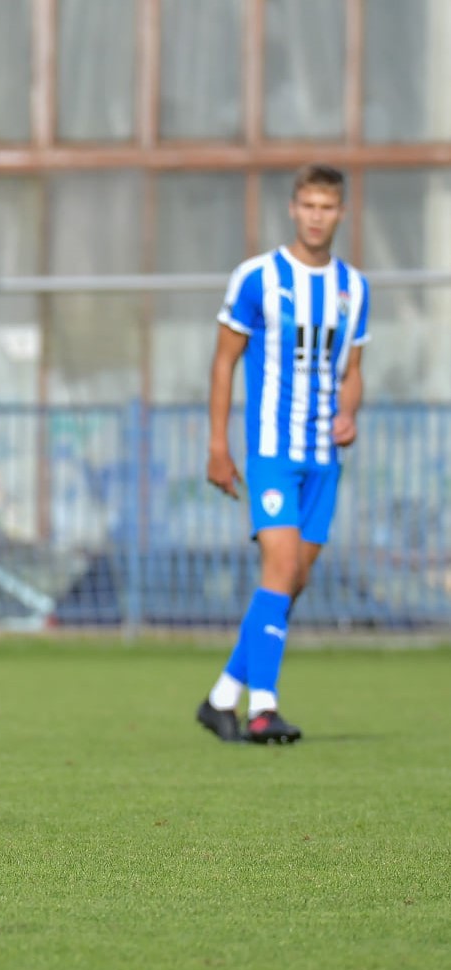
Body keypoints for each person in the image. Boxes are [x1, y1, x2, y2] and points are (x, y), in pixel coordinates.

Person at [196, 163, 369, 745]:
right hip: (272, 448)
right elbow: (224, 362)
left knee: (293, 579)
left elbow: (353, 372)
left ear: (340, 212)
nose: (318, 216)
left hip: (325, 456)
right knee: (279, 568)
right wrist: (218, 444)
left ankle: (222, 698)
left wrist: (350, 410)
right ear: (294, 209)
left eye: (328, 207)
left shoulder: (355, 288)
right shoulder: (257, 277)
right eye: (309, 205)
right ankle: (263, 708)